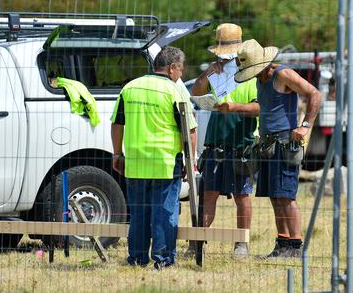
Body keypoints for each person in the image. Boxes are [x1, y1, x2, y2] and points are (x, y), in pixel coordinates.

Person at [111, 46, 197, 270]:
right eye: (181, 70)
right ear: (171, 68)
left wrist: (117, 153)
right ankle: (163, 259)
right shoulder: (176, 91)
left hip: (136, 162)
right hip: (165, 162)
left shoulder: (130, 87)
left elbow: (117, 123)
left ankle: (137, 259)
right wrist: (191, 162)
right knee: (164, 211)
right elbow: (190, 130)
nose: (182, 75)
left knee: (139, 212)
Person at [234, 39, 322, 258]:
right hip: (267, 144)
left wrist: (305, 126)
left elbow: (314, 94)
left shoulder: (283, 74)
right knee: (275, 196)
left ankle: (296, 247)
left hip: (284, 143)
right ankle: (282, 245)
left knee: (286, 196)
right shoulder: (260, 80)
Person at [191, 23, 259, 258]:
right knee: (208, 194)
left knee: (242, 196)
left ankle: (242, 243)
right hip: (215, 144)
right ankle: (197, 242)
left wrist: (234, 108)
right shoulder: (215, 71)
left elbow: (260, 107)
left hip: (242, 144)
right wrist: (207, 72)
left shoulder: (251, 73)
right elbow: (196, 94)